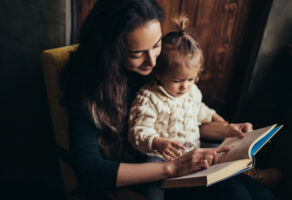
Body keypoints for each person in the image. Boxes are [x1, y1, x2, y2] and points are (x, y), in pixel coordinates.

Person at [59, 0, 277, 199]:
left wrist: (229, 129)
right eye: (137, 54)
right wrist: (173, 167)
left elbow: (188, 119)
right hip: (151, 171)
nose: (153, 62)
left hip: (186, 156)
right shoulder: (89, 90)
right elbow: (89, 170)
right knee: (236, 195)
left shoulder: (166, 69)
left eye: (156, 45)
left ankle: (252, 175)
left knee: (263, 196)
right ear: (110, 50)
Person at [128, 15, 247, 162]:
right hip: (161, 157)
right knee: (150, 179)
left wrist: (219, 121)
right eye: (177, 81)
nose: (185, 86)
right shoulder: (149, 98)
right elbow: (138, 132)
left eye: (191, 79)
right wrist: (157, 142)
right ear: (158, 74)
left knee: (222, 150)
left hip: (192, 151)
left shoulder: (192, 92)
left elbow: (199, 110)